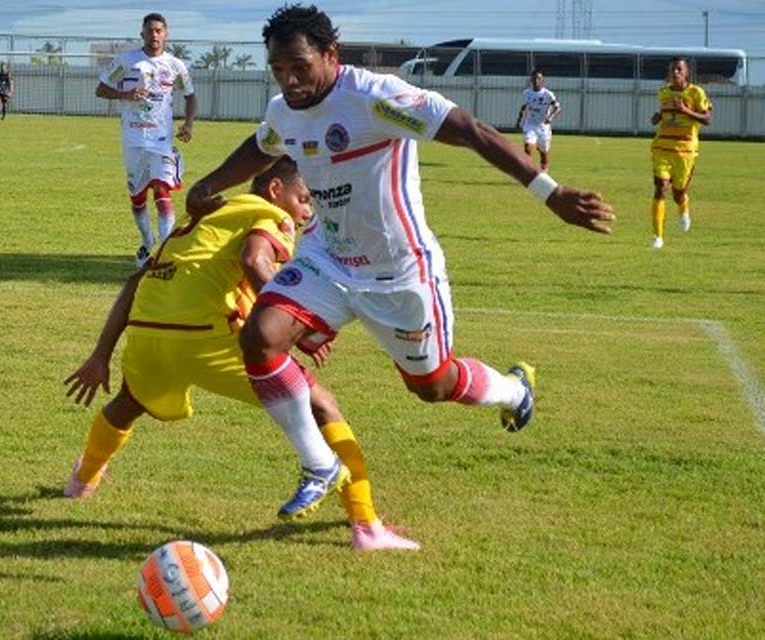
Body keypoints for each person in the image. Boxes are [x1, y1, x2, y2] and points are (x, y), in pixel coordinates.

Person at [185, 6, 614, 474]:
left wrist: (550, 195)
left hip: (398, 270)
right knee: (260, 337)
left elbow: (470, 130)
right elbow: (263, 144)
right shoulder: (284, 111)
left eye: (299, 67)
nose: (289, 81)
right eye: (279, 70)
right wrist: (209, 184)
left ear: (331, 54)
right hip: (326, 259)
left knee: (432, 385)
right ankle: (319, 465)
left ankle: (514, 390)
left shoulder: (376, 97)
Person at [62, 157, 418, 551]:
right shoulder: (267, 214)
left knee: (129, 403)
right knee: (321, 405)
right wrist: (292, 320)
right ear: (274, 191)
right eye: (303, 199)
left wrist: (101, 354)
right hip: (207, 334)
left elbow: (135, 279)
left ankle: (82, 482)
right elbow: (255, 260)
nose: (305, 214)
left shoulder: (202, 220)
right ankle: (366, 526)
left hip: (149, 332)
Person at [96, 12, 197, 266]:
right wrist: (126, 94)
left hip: (161, 141)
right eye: (150, 30)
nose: (154, 35)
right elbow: (100, 89)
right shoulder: (126, 61)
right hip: (132, 139)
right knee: (137, 198)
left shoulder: (176, 66)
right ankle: (147, 240)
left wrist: (188, 123)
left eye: (159, 30)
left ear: (166, 34)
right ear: (142, 33)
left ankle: (164, 254)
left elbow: (190, 96)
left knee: (162, 190)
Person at [648, 57, 712, 250]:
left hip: (685, 151)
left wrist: (685, 110)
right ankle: (657, 237)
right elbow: (664, 114)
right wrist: (658, 117)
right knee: (660, 187)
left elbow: (707, 119)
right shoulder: (664, 92)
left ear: (686, 72)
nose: (675, 72)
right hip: (662, 148)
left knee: (678, 193)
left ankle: (683, 208)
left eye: (679, 69)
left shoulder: (696, 93)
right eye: (672, 70)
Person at [515, 69, 561, 172]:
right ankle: (530, 171)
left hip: (543, 127)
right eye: (534, 78)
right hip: (530, 124)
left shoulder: (548, 94)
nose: (536, 80)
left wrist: (550, 118)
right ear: (531, 80)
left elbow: (557, 108)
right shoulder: (527, 93)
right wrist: (519, 120)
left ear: (542, 80)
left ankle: (544, 168)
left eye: (538, 78)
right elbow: (524, 107)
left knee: (543, 153)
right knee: (527, 147)